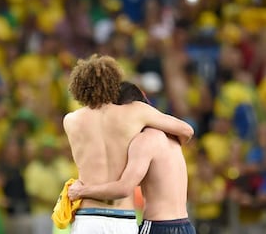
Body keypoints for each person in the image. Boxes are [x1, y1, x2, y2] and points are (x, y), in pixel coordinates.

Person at [63, 54, 194, 234]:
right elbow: (187, 130)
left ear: (79, 87)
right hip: (123, 218)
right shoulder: (135, 113)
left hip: (87, 217)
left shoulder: (71, 120)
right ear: (114, 84)